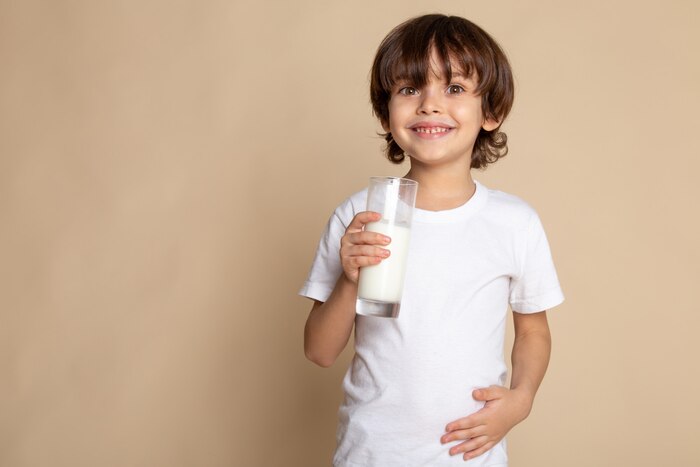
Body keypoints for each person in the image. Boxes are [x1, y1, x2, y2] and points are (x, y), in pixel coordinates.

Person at [299, 13, 564, 466]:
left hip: (469, 454)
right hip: (372, 452)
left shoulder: (513, 222)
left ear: (491, 112)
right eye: (408, 89)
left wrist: (521, 400)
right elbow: (320, 351)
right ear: (387, 113)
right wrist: (348, 280)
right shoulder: (360, 216)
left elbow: (533, 330)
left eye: (455, 89)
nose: (429, 104)